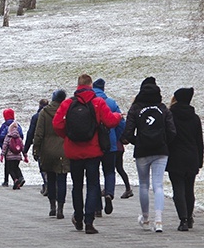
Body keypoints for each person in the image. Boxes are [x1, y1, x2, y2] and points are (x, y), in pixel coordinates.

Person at [53, 74, 122, 234]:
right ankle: (89, 221)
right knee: (93, 184)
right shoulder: (98, 102)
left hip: (73, 150)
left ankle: (78, 217)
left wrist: (68, 135)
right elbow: (111, 121)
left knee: (77, 186)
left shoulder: (68, 103)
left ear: (78, 85)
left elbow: (57, 124)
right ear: (91, 85)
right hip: (93, 150)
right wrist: (118, 116)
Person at [122, 77, 177, 233]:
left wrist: (137, 141)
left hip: (142, 151)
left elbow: (127, 132)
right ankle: (159, 220)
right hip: (161, 150)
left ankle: (145, 219)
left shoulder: (135, 108)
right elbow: (172, 131)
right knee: (158, 185)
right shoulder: (162, 108)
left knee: (144, 185)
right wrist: (164, 142)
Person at [167, 87, 204, 231]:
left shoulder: (170, 115)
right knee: (189, 189)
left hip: (175, 157)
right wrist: (199, 161)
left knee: (178, 189)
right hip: (191, 157)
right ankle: (189, 217)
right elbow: (199, 141)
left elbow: (168, 136)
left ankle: (182, 219)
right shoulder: (194, 118)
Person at [33, 90, 69, 219]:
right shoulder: (67, 111)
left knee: (51, 179)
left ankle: (52, 206)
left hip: (47, 150)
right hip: (63, 150)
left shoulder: (44, 112)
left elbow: (39, 133)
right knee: (62, 178)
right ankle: (60, 208)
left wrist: (36, 148)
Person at [92, 78, 126, 216]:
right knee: (109, 171)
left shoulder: (90, 102)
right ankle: (109, 193)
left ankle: (97, 207)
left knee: (94, 175)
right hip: (110, 143)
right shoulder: (111, 103)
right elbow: (121, 123)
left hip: (93, 144)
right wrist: (115, 137)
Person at [25, 98, 49, 196]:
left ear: (39, 105)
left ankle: (47, 183)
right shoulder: (53, 114)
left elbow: (31, 133)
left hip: (40, 144)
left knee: (42, 166)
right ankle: (51, 184)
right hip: (52, 144)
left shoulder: (36, 117)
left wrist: (25, 149)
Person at [0, 108, 23, 187]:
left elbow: (1, 137)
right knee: (15, 165)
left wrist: (2, 149)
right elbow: (21, 136)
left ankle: (7, 181)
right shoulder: (17, 126)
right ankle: (20, 178)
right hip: (17, 149)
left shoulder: (4, 126)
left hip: (8, 150)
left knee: (8, 166)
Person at [1, 121, 28, 189]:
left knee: (10, 169)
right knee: (16, 168)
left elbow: (5, 146)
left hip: (9, 157)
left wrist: (2, 155)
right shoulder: (19, 137)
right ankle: (21, 178)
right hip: (18, 157)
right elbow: (23, 147)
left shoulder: (8, 137)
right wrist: (25, 156)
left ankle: (15, 180)